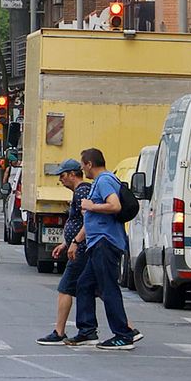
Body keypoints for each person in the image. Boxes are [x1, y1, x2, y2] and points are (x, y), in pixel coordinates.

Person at [68, 148, 143, 350]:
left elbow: (115, 206)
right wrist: (77, 240)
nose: (82, 169)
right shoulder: (101, 181)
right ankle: (87, 331)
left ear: (90, 164)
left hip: (105, 242)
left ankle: (123, 335)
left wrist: (91, 206)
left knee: (108, 287)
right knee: (84, 284)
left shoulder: (104, 180)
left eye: (83, 165)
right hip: (98, 242)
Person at [37, 159, 91, 345]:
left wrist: (75, 242)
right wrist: (65, 243)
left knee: (65, 287)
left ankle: (59, 332)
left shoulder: (82, 191)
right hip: (80, 247)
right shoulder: (80, 191)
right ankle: (126, 328)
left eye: (62, 175)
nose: (60, 180)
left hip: (81, 249)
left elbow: (88, 221)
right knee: (99, 289)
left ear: (72, 174)